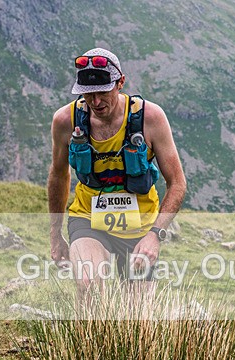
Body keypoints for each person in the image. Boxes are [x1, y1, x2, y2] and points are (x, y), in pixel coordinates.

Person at [48, 48, 187, 304]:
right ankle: (88, 332)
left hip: (141, 226)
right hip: (88, 217)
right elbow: (58, 175)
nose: (96, 102)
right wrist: (55, 234)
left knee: (138, 316)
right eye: (88, 94)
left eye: (103, 92)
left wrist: (155, 235)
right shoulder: (65, 121)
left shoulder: (150, 118)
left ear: (120, 82)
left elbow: (177, 183)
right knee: (88, 282)